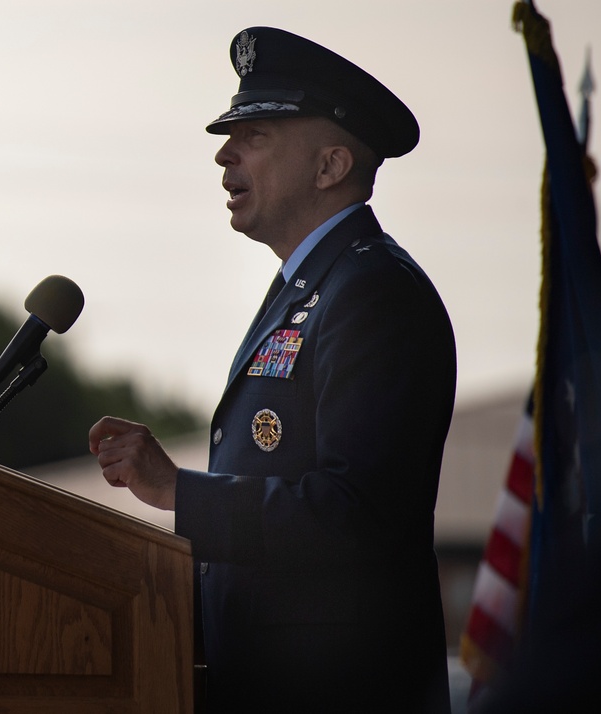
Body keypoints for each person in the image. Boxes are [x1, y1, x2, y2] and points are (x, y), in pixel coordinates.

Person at [89, 26, 455, 713]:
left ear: (329, 166)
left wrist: (180, 492)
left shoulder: (374, 293)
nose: (225, 154)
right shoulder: (311, 287)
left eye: (255, 136)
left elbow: (358, 517)